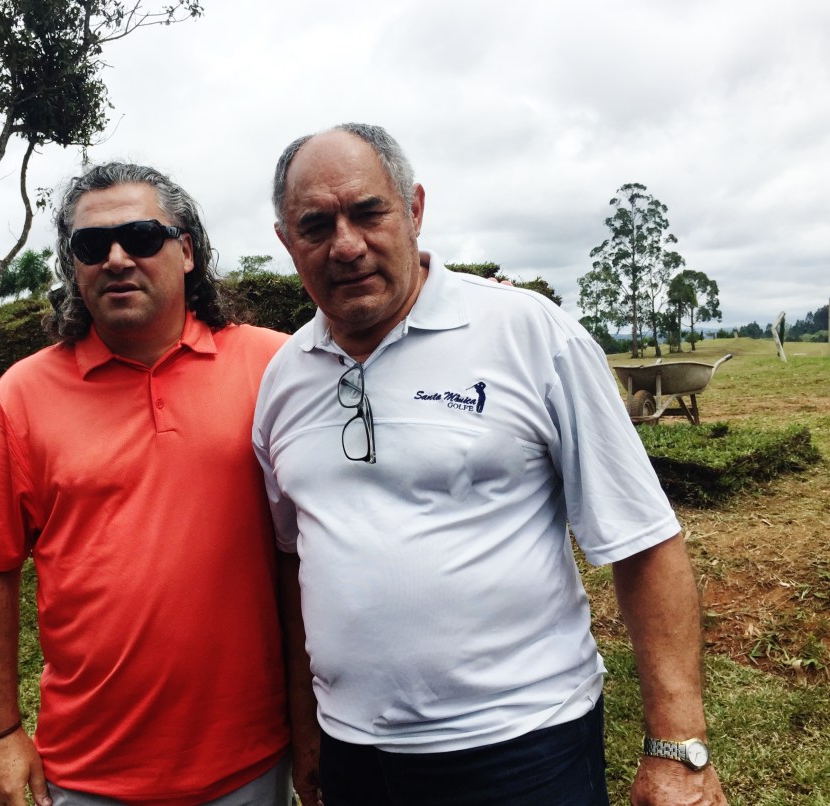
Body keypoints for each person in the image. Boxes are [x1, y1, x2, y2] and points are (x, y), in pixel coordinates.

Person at [253, 123, 728, 806]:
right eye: (315, 225)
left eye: (368, 212)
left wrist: (678, 747)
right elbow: (294, 560)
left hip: (524, 749)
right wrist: (308, 733)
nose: (346, 244)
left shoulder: (529, 334)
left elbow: (643, 539)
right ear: (286, 241)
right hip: (355, 756)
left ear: (414, 209)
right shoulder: (284, 379)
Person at [0, 162, 292, 806]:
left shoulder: (276, 368)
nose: (115, 258)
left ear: (186, 251)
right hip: (87, 772)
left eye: (140, 236)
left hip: (250, 762)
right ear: (72, 267)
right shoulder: (21, 396)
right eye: (90, 245)